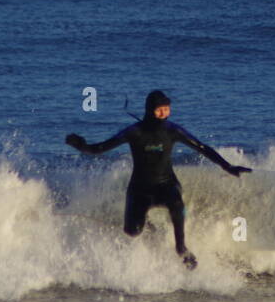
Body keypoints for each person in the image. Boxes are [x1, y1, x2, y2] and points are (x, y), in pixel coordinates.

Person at [65, 90, 250, 269]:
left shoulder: (173, 131)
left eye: (167, 108)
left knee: (177, 204)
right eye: (159, 109)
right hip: (139, 189)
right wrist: (82, 146)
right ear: (149, 110)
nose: (164, 113)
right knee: (133, 232)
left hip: (166, 184)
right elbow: (101, 148)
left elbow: (202, 147)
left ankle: (181, 248)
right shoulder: (133, 132)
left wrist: (228, 166)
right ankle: (149, 227)